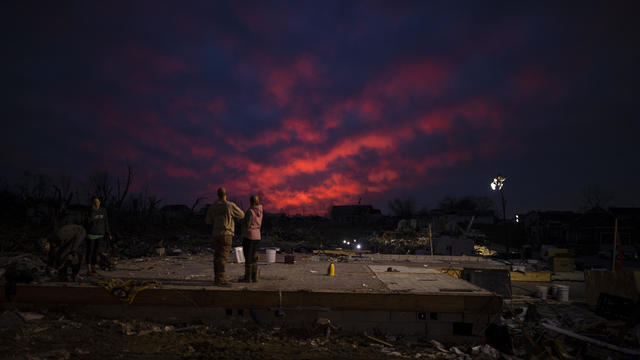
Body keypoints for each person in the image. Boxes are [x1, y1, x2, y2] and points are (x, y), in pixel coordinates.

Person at [205, 187, 244, 286]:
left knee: (217, 256)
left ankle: (217, 277)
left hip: (216, 234)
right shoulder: (230, 205)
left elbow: (208, 221)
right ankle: (221, 279)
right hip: (226, 234)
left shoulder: (213, 207)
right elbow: (241, 214)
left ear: (218, 195)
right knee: (222, 257)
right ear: (226, 194)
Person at [240, 195, 263, 283]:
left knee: (248, 256)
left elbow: (247, 224)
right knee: (253, 256)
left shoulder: (250, 211)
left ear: (251, 201)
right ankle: (254, 277)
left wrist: (242, 221)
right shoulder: (260, 211)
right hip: (257, 235)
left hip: (249, 236)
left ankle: (247, 278)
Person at [86, 196, 111, 276]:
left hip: (100, 234)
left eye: (97, 202)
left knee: (96, 252)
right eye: (94, 202)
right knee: (90, 252)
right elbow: (87, 222)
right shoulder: (90, 211)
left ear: (100, 202)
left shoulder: (103, 210)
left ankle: (93, 269)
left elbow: (106, 222)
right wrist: (93, 212)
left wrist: (108, 233)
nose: (96, 203)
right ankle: (88, 269)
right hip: (91, 234)